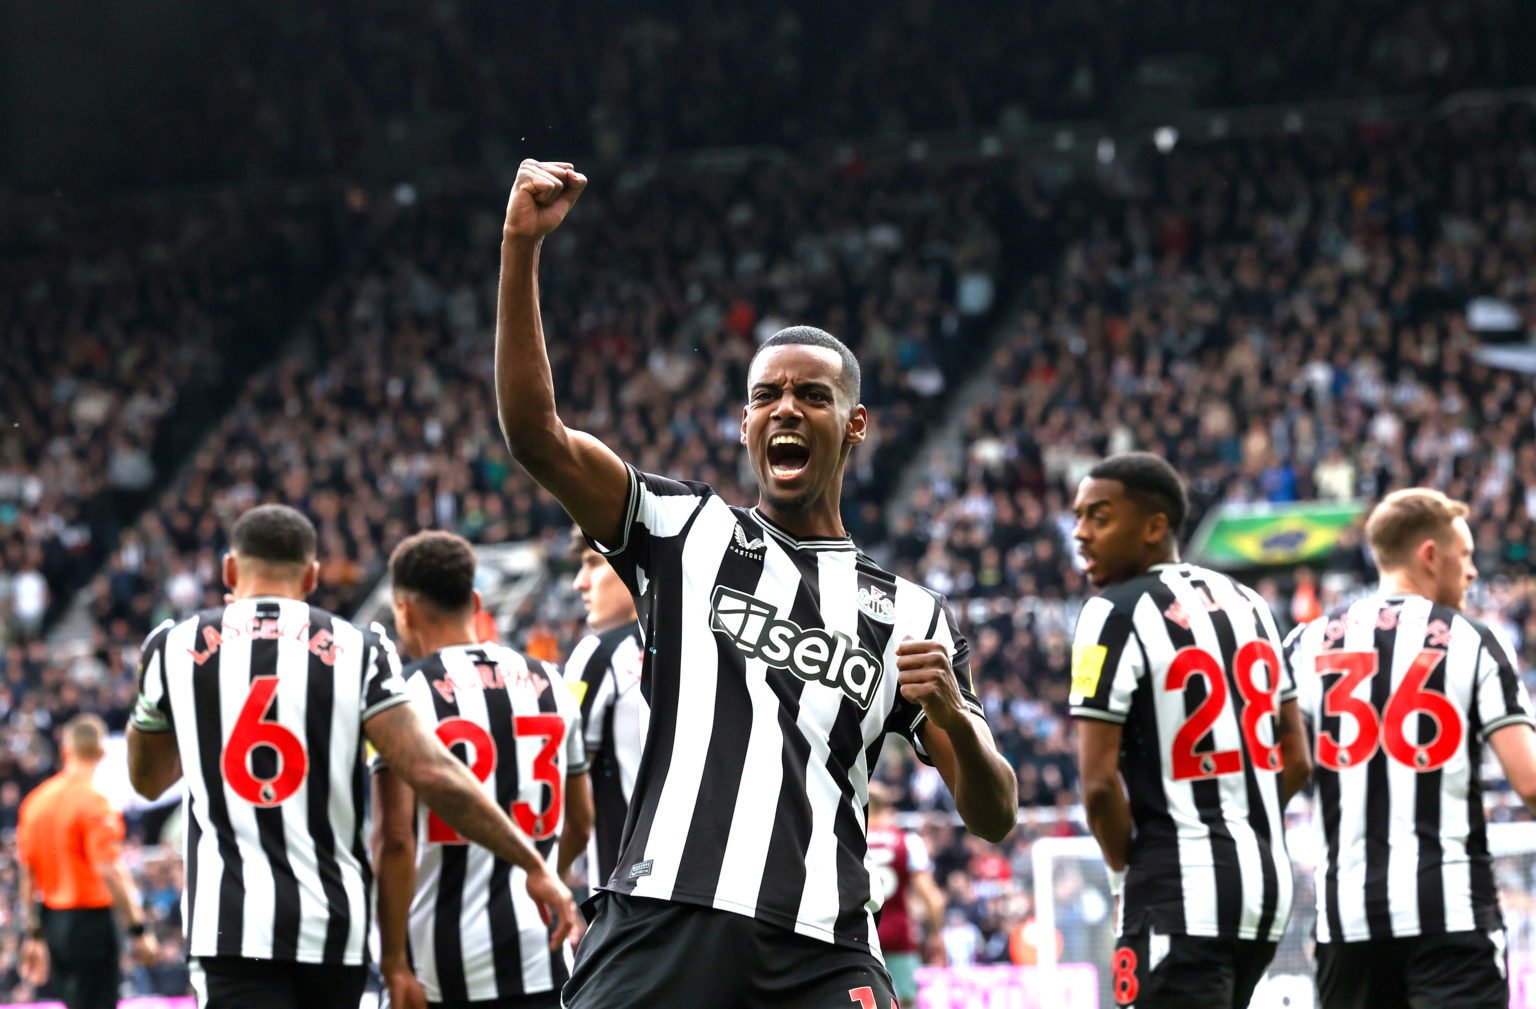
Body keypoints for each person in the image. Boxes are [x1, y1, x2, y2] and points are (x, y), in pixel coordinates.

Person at [494, 159, 1017, 1008]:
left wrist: (955, 714)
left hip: (822, 947)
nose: (784, 408)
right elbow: (536, 436)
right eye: (765, 394)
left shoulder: (912, 613)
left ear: (854, 426)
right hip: (666, 918)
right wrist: (520, 248)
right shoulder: (679, 529)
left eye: (811, 395)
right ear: (743, 423)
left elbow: (993, 813)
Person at [125, 504, 578, 1009]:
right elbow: (429, 771)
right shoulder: (360, 647)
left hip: (232, 926)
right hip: (333, 926)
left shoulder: (171, 645)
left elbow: (147, 781)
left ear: (230, 570)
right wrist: (532, 863)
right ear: (313, 575)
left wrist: (179, 706)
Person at [1068, 452, 1310, 1009]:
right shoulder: (1252, 603)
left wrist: (1129, 870)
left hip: (1177, 890)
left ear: (1154, 527)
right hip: (1265, 889)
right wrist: (1236, 818)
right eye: (1079, 517)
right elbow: (1295, 758)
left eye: (1099, 517)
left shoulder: (1110, 611)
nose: (1081, 534)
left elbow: (1100, 786)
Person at [1284, 488, 1536, 1009]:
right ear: (1429, 554)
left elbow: (1276, 774)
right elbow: (1531, 782)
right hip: (1452, 917)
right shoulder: (1474, 640)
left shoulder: (1305, 643)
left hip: (1347, 922)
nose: (1470, 573)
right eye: (1463, 557)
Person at [373, 530, 594, 1009]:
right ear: (474, 600)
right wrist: (540, 876)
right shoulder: (550, 681)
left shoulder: (400, 697)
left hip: (442, 963)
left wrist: (394, 961)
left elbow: (395, 839)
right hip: (544, 946)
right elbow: (581, 821)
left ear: (404, 610)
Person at [15, 714, 159, 1009]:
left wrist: (34, 934)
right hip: (91, 923)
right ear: (102, 753)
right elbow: (109, 869)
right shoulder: (95, 802)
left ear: (65, 751)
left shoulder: (35, 802)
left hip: (54, 923)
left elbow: (28, 874)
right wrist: (138, 929)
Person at [563, 538, 646, 889]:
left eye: (594, 563)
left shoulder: (599, 655)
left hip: (628, 897)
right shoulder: (705, 644)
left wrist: (553, 875)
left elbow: (560, 781)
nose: (579, 581)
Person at [863, 783, 945, 1005]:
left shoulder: (852, 839)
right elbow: (932, 899)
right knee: (907, 1001)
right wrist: (937, 935)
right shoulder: (908, 842)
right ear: (889, 807)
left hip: (860, 934)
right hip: (899, 934)